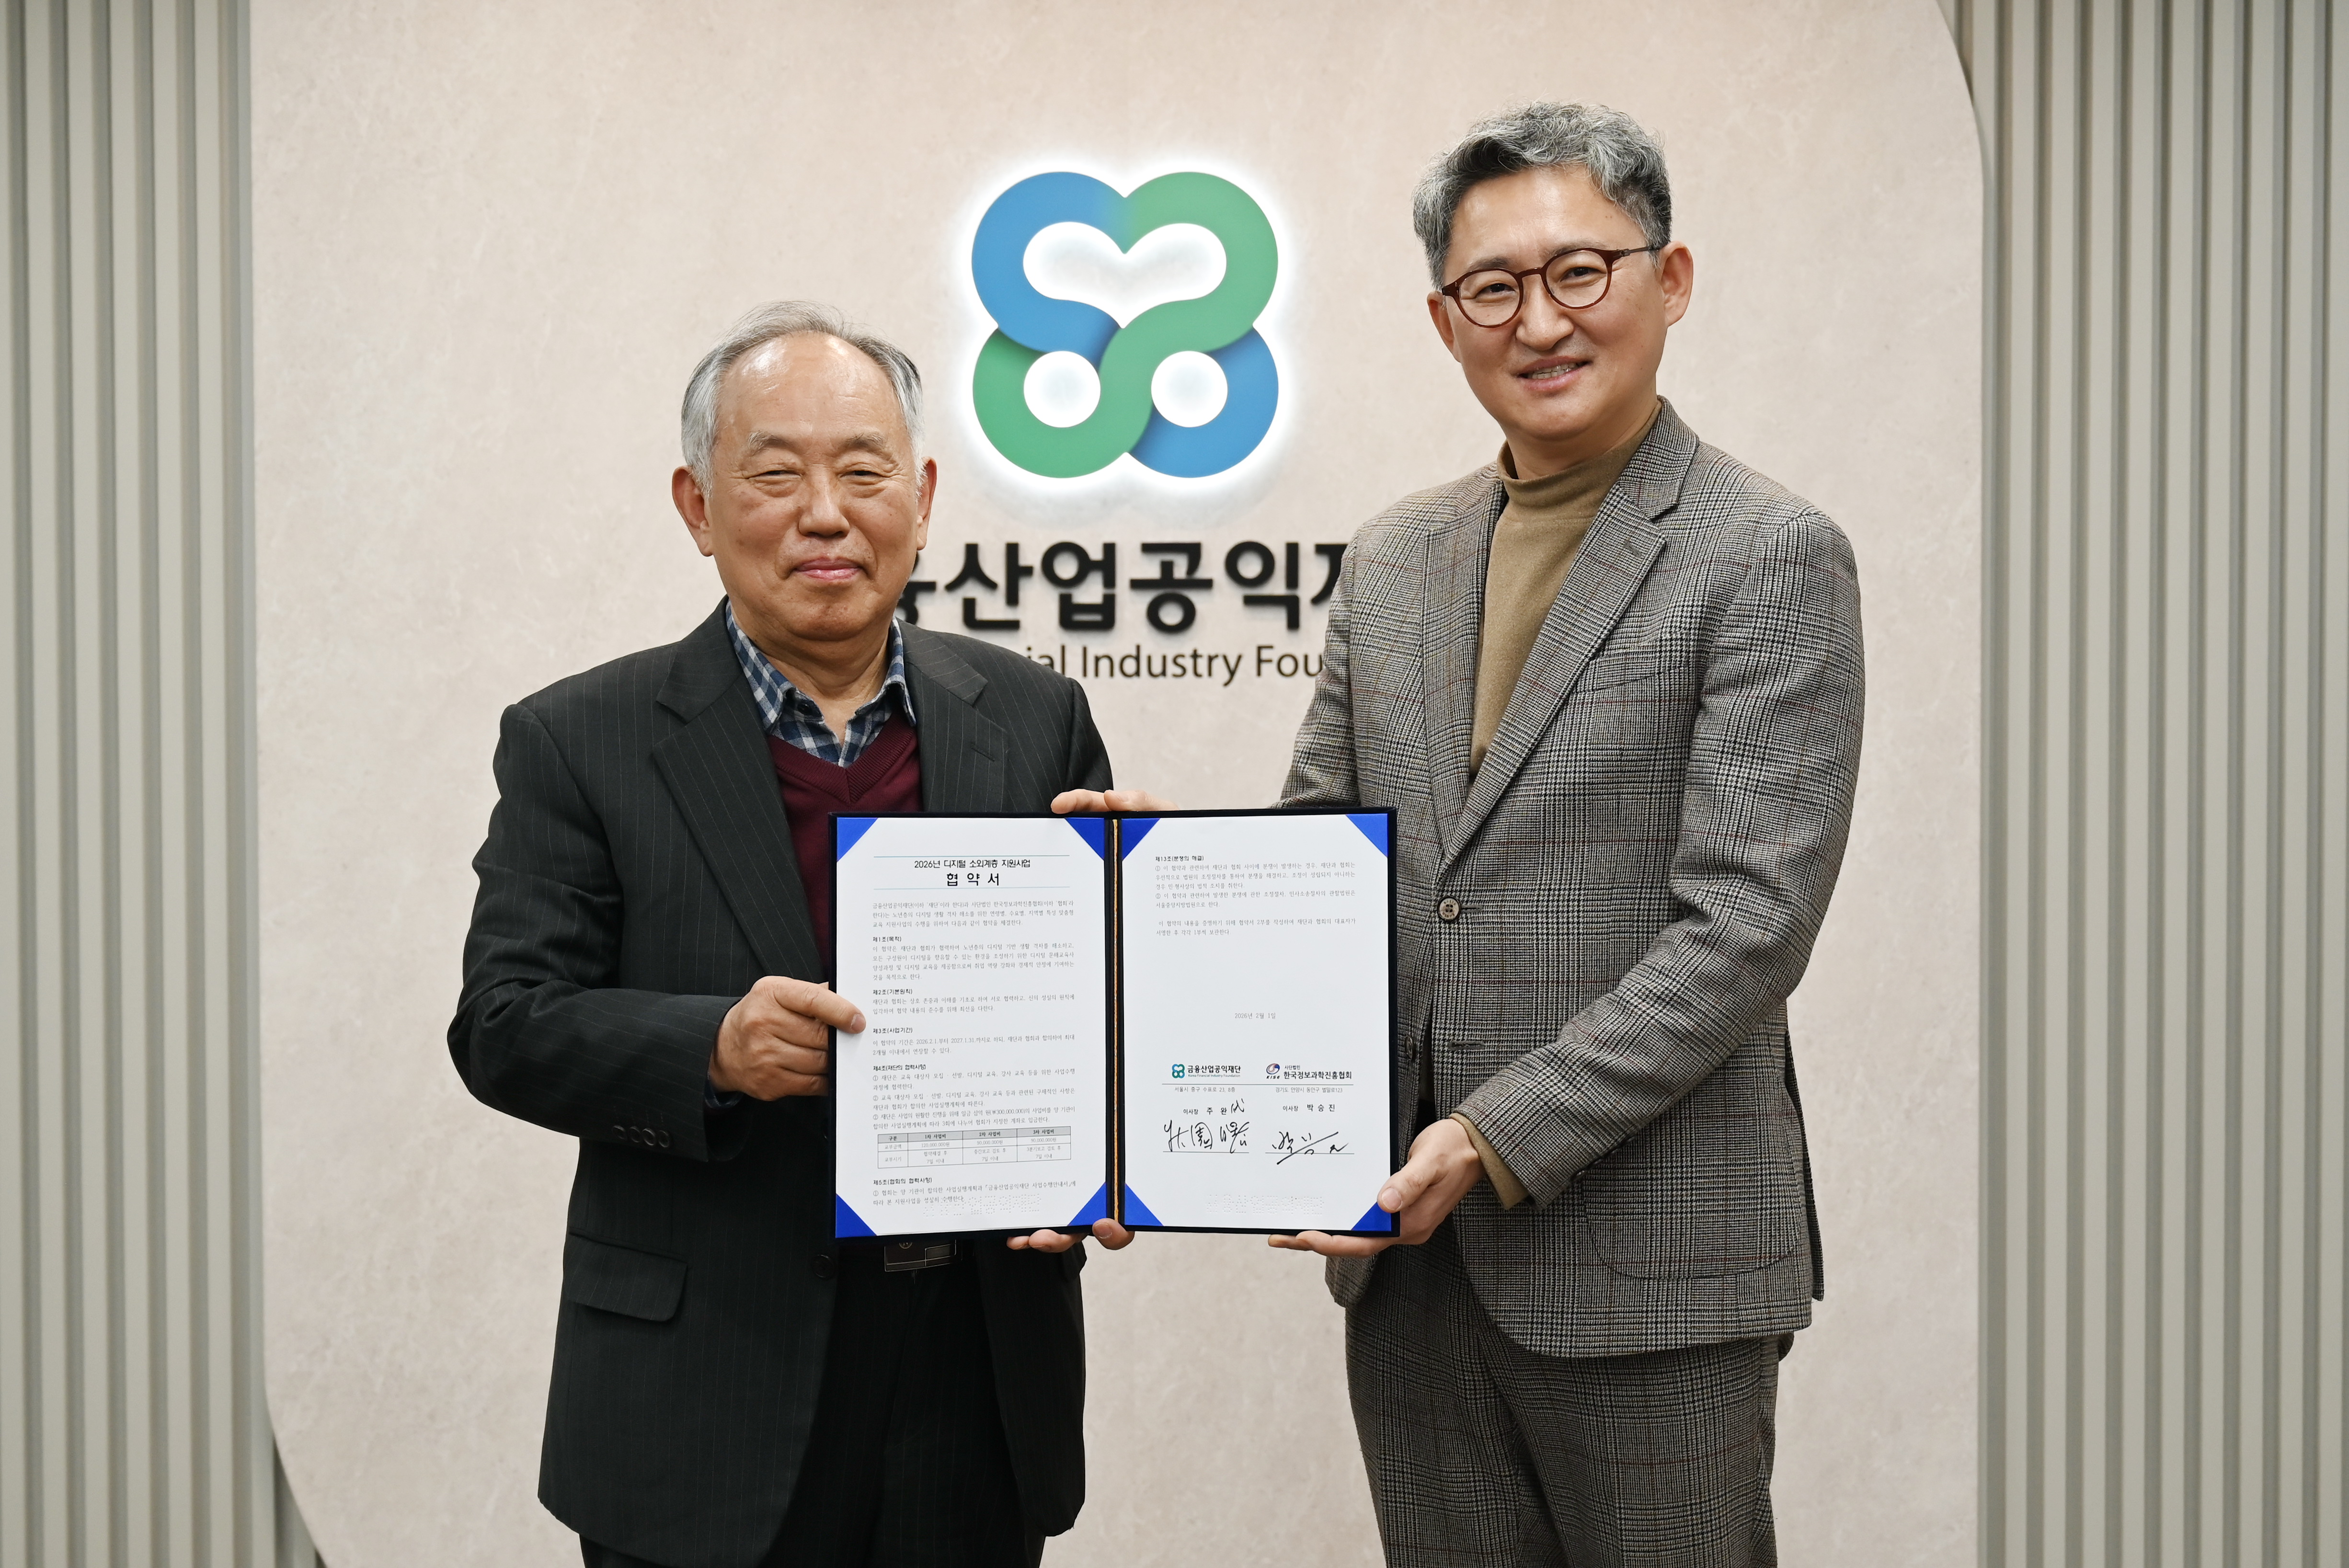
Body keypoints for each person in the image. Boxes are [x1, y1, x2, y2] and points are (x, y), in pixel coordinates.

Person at [1067, 103, 1865, 1565]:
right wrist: (1161, 881)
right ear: (1445, 321)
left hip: (1653, 1272)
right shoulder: (1395, 558)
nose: (1539, 321)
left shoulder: (1766, 551)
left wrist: (1493, 1134)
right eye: (1493, 287)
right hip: (1413, 1269)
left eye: (1580, 272)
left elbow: (1746, 929)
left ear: (1671, 279)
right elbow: (1322, 865)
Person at [448, 301, 1131, 1568]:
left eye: (864, 472)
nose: (826, 513)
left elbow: (1098, 1021)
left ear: (922, 499)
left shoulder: (1035, 717)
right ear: (698, 507)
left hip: (973, 1381)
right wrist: (712, 1048)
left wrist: (1123, 1112)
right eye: (775, 475)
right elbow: (503, 1024)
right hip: (705, 1385)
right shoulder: (580, 738)